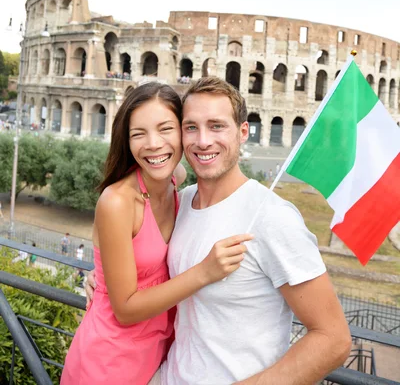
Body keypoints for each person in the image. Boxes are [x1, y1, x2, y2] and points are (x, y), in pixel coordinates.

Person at [87, 77, 351, 385]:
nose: (202, 141)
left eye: (216, 126)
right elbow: (146, 272)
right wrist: (102, 279)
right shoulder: (180, 203)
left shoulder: (273, 218)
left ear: (242, 132)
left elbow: (333, 338)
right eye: (191, 127)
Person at [62, 82, 251, 385]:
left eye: (165, 129)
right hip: (109, 362)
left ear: (182, 132)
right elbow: (124, 310)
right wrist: (205, 272)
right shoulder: (118, 202)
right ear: (126, 140)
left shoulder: (175, 179)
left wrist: (99, 275)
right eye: (139, 133)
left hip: (160, 358)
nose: (153, 144)